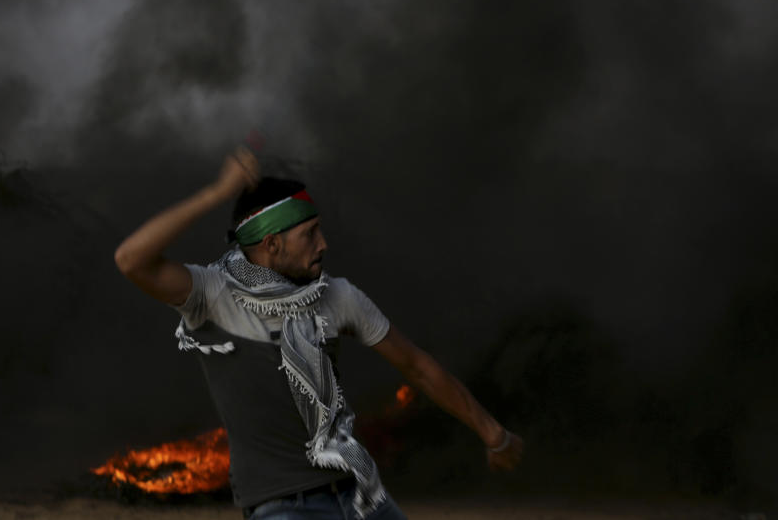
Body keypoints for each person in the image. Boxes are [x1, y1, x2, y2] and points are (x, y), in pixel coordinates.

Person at [114, 148, 523, 519]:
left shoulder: (338, 296)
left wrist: (492, 433)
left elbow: (416, 366)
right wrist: (218, 193)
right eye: (309, 234)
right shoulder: (213, 294)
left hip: (361, 495)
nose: (323, 244)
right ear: (272, 244)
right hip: (282, 508)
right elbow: (131, 259)